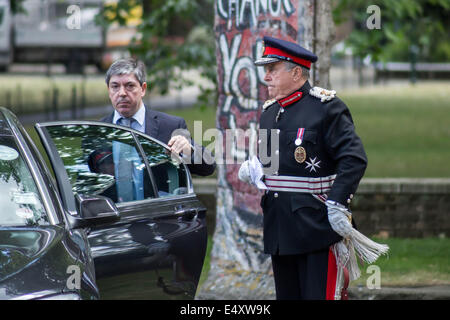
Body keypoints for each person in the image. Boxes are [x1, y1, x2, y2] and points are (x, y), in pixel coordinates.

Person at [239, 36, 368, 300]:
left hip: (316, 227)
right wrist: (256, 169)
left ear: (296, 71)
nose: (266, 77)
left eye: (272, 69)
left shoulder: (327, 108)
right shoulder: (269, 112)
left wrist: (337, 203)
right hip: (279, 228)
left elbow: (354, 158)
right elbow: (271, 164)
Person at [101, 58, 216, 177]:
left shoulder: (171, 126)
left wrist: (189, 150)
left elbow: (209, 166)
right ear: (108, 90)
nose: (122, 93)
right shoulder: (97, 131)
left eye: (129, 86)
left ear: (143, 89)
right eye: (115, 86)